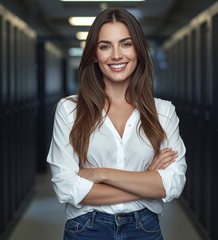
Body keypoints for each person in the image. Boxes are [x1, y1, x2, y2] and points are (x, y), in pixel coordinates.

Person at [47, 7, 187, 240]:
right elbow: (67, 187)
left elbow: (172, 184)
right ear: (94, 54)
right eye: (105, 46)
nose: (116, 55)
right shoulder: (70, 110)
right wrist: (146, 179)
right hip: (86, 229)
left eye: (125, 44)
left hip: (144, 229)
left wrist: (100, 173)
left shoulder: (163, 112)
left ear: (138, 50)